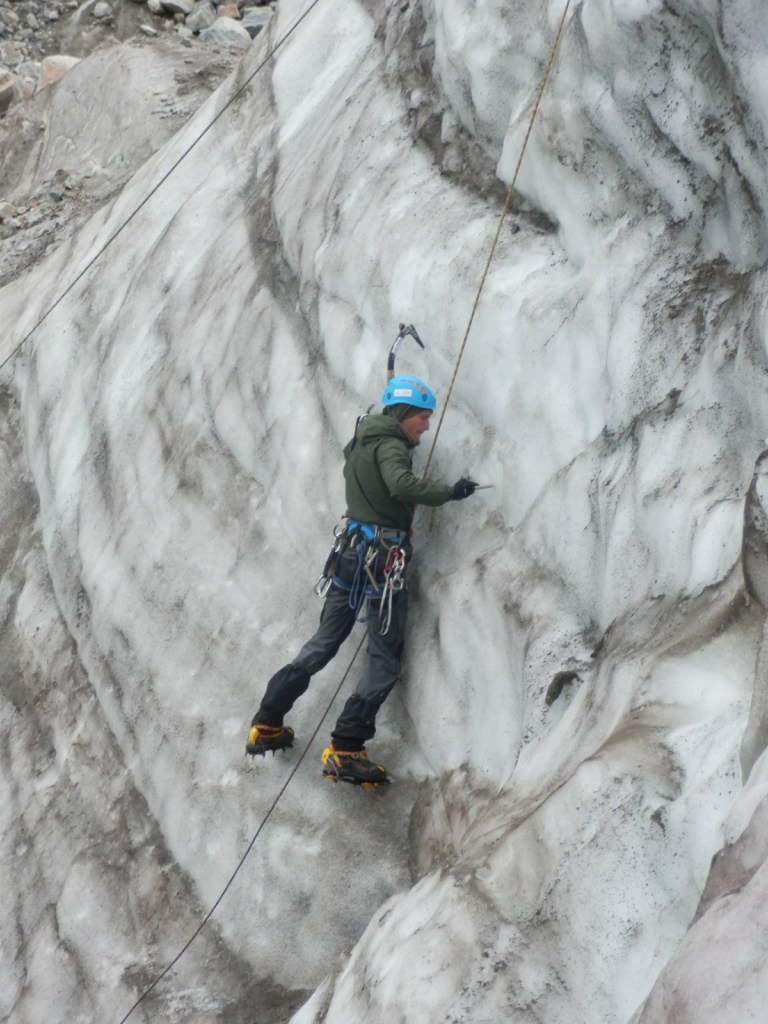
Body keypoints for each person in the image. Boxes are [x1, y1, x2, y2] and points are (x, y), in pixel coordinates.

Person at [245, 374, 478, 785]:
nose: (426, 426)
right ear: (404, 415)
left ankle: (267, 722)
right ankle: (347, 746)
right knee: (384, 659)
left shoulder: (362, 441)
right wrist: (449, 492)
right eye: (422, 418)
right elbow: (400, 484)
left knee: (324, 643)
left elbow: (377, 491)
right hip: (383, 563)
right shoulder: (391, 445)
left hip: (351, 554)